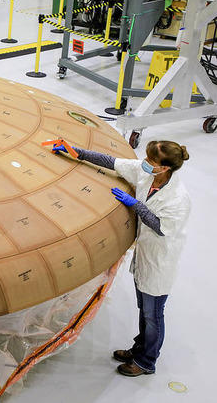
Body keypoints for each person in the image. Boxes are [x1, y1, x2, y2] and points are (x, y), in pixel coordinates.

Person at [51, 140, 191, 377]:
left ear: (165, 168)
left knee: (153, 315)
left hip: (159, 263)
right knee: (144, 311)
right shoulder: (148, 175)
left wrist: (136, 205)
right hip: (145, 257)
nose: (145, 164)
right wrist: (75, 151)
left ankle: (146, 362)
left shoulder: (178, 198)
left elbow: (160, 227)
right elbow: (111, 162)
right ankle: (139, 349)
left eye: (151, 161)